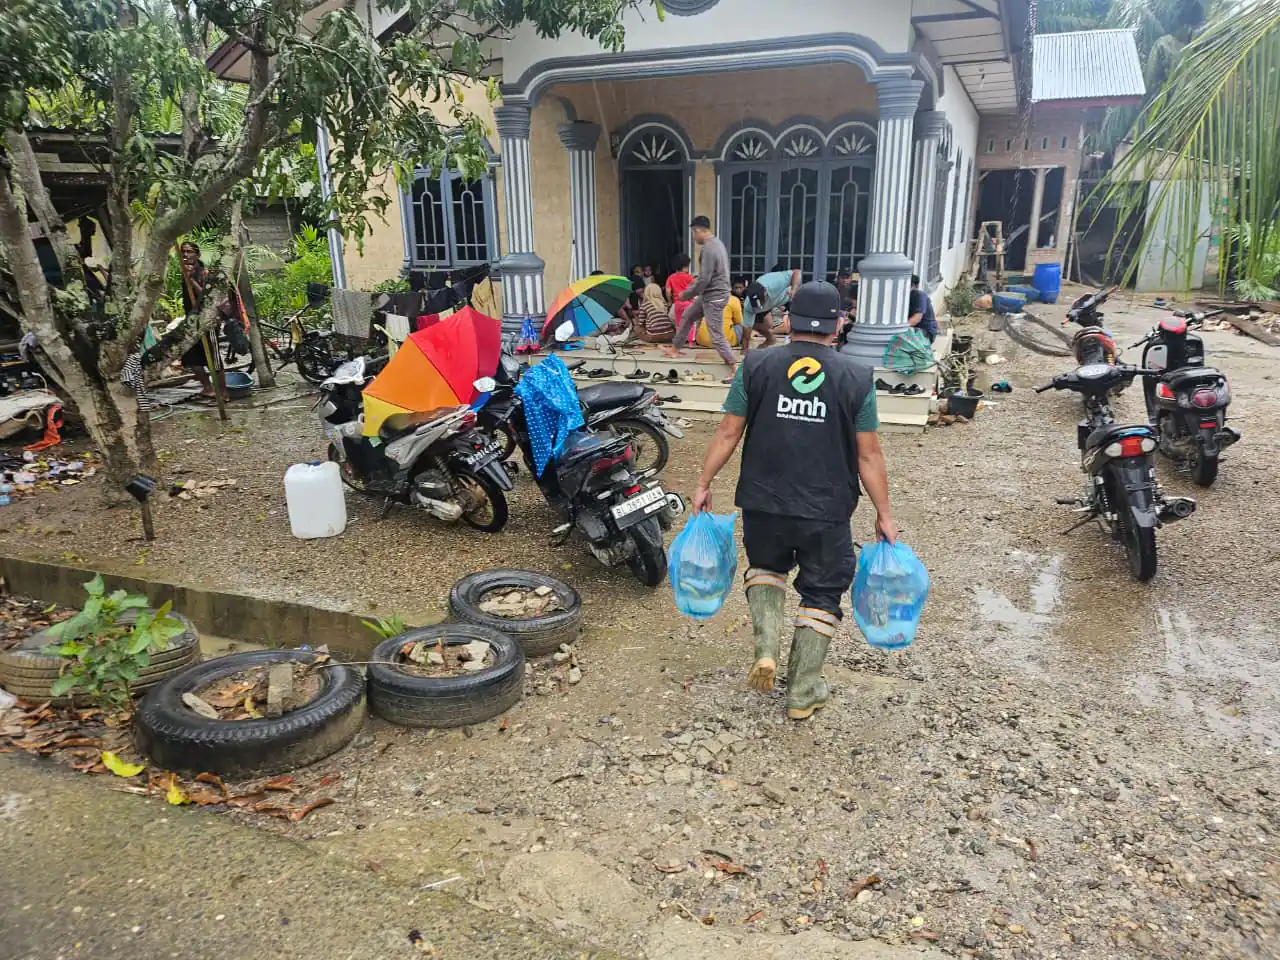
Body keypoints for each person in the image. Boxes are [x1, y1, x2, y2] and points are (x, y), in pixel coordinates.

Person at [691, 280, 898, 721]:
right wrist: (884, 513)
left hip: (763, 500)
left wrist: (704, 482)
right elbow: (868, 454)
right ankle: (802, 691)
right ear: (838, 325)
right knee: (822, 591)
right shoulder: (856, 377)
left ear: (788, 319)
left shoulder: (757, 365)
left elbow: (728, 431)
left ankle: (766, 648)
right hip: (826, 509)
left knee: (766, 568)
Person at [665, 216, 736, 380]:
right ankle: (675, 349)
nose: (693, 237)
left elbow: (705, 279)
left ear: (698, 230)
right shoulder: (717, 244)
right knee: (688, 315)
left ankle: (734, 367)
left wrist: (686, 294)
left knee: (716, 335)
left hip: (715, 297)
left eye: (693, 233)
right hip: (707, 295)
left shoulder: (709, 248)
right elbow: (706, 276)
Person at [178, 240, 217, 398]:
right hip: (192, 320)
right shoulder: (186, 272)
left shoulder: (204, 273)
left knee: (212, 357)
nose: (186, 255)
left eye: (189, 252)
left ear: (197, 254)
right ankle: (207, 386)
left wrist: (191, 281)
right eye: (183, 252)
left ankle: (220, 390)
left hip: (206, 320)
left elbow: (207, 297)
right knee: (190, 356)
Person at [741, 267, 801, 353]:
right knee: (755, 325)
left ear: (765, 292)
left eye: (760, 302)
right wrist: (744, 350)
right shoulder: (749, 306)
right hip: (772, 304)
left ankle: (796, 347)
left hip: (790, 297)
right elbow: (746, 331)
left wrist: (794, 289)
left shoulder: (774, 282)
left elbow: (796, 272)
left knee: (794, 322)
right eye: (756, 304)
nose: (759, 306)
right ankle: (770, 339)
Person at [633, 277, 676, 343]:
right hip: (670, 336)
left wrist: (636, 318)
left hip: (654, 336)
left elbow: (640, 323)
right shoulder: (664, 303)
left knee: (636, 328)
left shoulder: (644, 305)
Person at [664, 253, 695, 336]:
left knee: (672, 317)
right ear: (684, 266)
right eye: (688, 266)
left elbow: (668, 292)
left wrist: (669, 301)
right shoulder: (689, 277)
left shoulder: (671, 277)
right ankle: (690, 336)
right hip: (689, 303)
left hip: (677, 304)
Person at [908, 274, 938, 342]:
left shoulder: (919, 295)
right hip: (914, 330)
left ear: (915, 286)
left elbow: (916, 319)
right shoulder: (904, 296)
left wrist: (899, 328)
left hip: (926, 333)